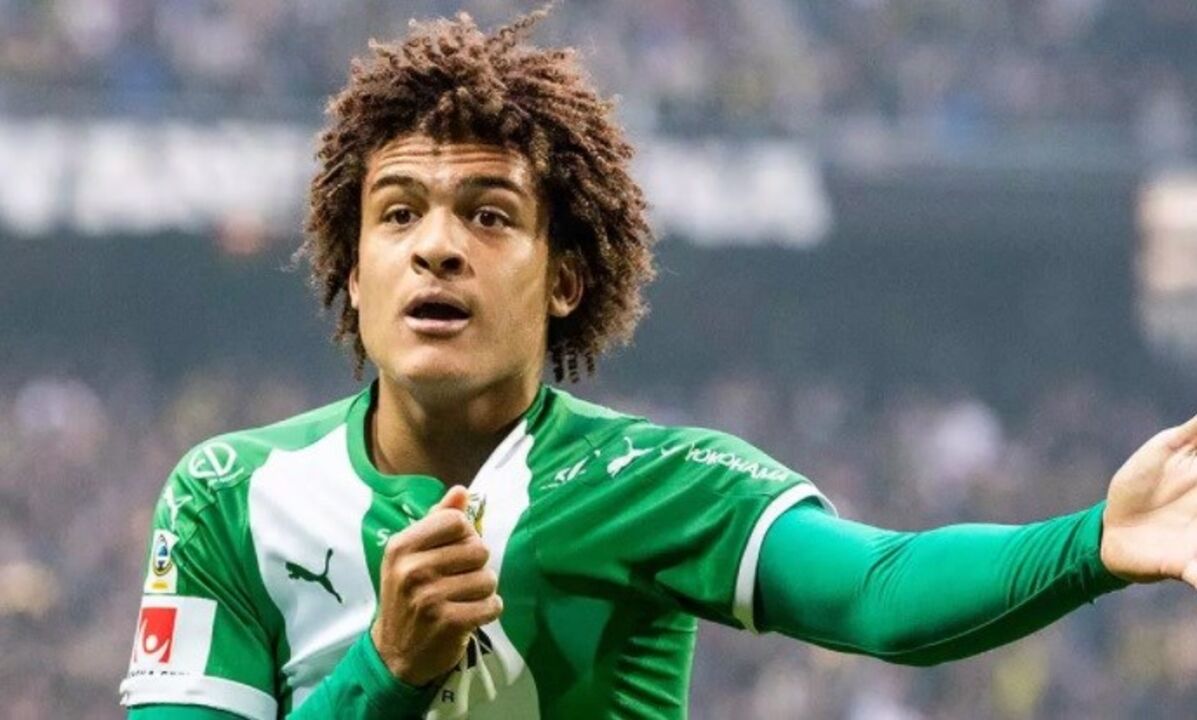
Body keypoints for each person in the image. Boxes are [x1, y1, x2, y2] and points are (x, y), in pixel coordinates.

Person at [120, 10, 1197, 720]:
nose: (435, 246)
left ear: (565, 279)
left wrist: (1093, 544)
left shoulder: (654, 482)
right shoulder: (227, 495)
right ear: (351, 273)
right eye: (397, 213)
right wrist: (386, 670)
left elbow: (878, 590)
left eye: (489, 215)